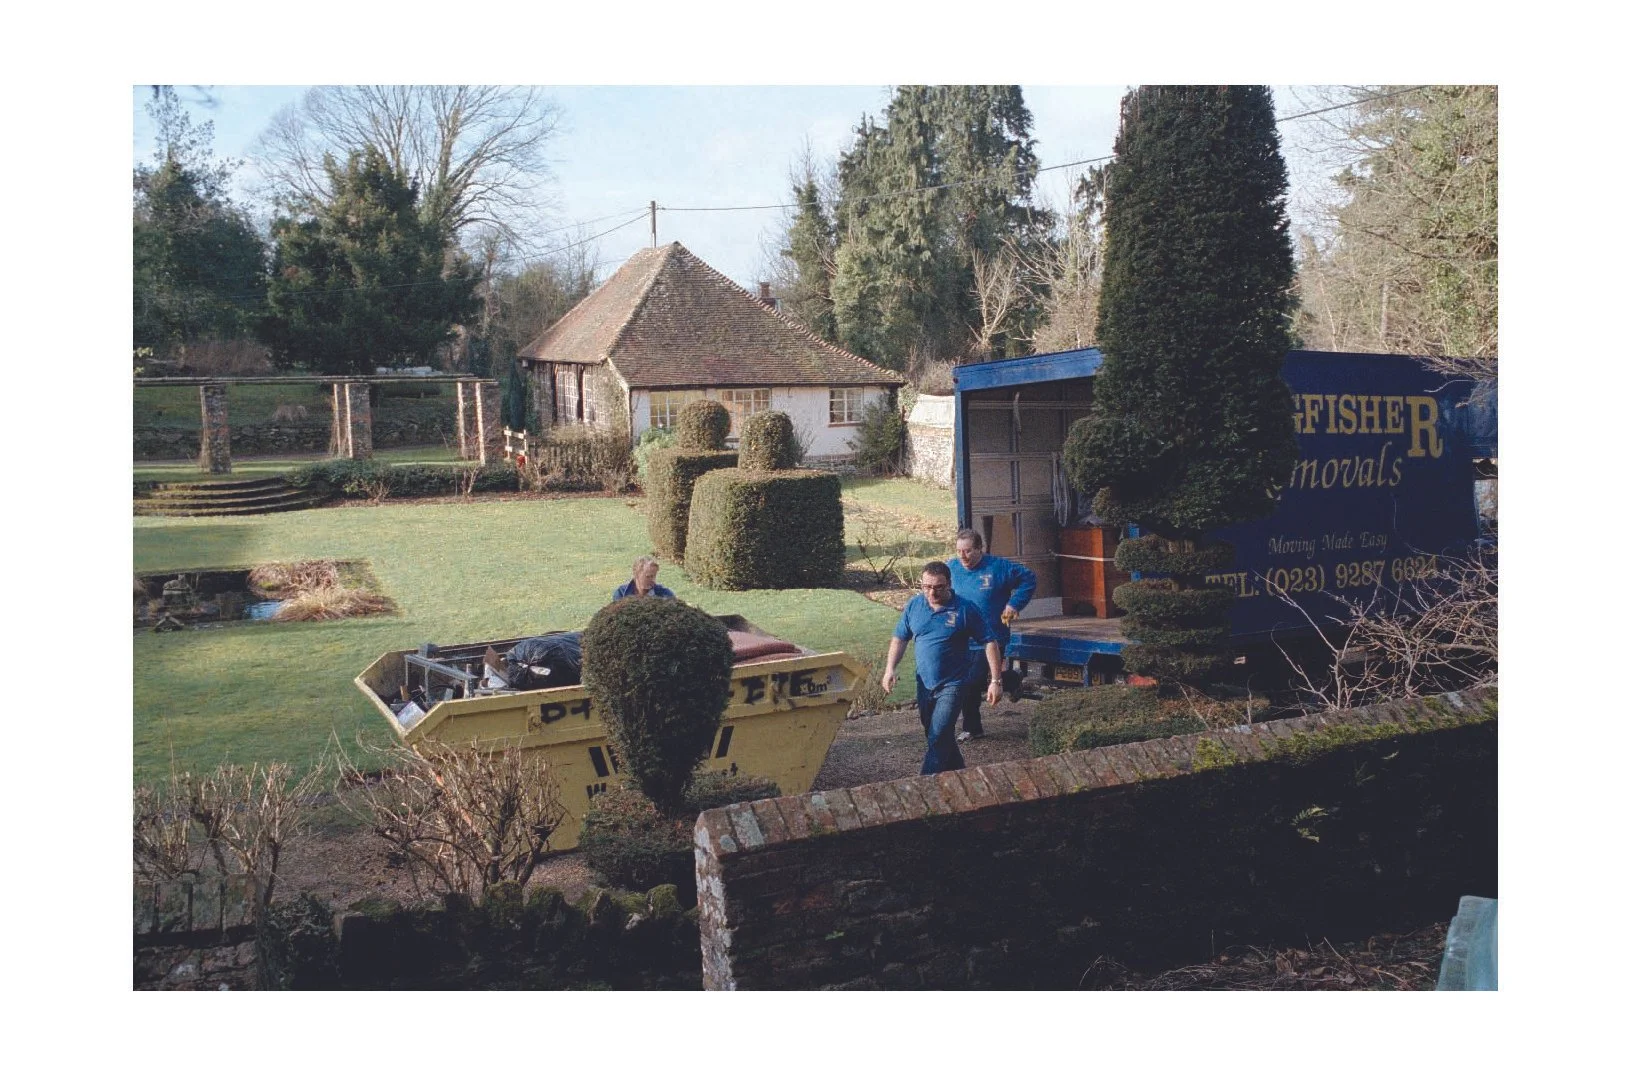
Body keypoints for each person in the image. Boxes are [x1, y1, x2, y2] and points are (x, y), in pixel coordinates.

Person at [881, 561, 1003, 775]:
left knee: (939, 734)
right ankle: (962, 776)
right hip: (924, 682)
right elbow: (900, 638)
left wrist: (995, 681)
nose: (931, 592)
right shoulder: (914, 606)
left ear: (949, 584)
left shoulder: (965, 608)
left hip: (954, 684)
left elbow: (989, 642)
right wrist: (890, 669)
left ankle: (923, 787)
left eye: (938, 587)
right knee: (936, 734)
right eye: (926, 587)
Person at [948, 528, 1037, 741]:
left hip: (991, 637)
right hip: (961, 637)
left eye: (968, 551)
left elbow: (1029, 579)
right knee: (965, 682)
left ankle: (972, 726)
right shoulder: (951, 568)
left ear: (980, 549)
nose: (963, 557)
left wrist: (1014, 604)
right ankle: (1012, 680)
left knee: (972, 681)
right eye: (959, 551)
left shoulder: (998, 567)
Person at [611, 555, 676, 601]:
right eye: (648, 576)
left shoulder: (665, 595)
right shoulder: (621, 594)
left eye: (653, 576)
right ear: (636, 574)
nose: (652, 580)